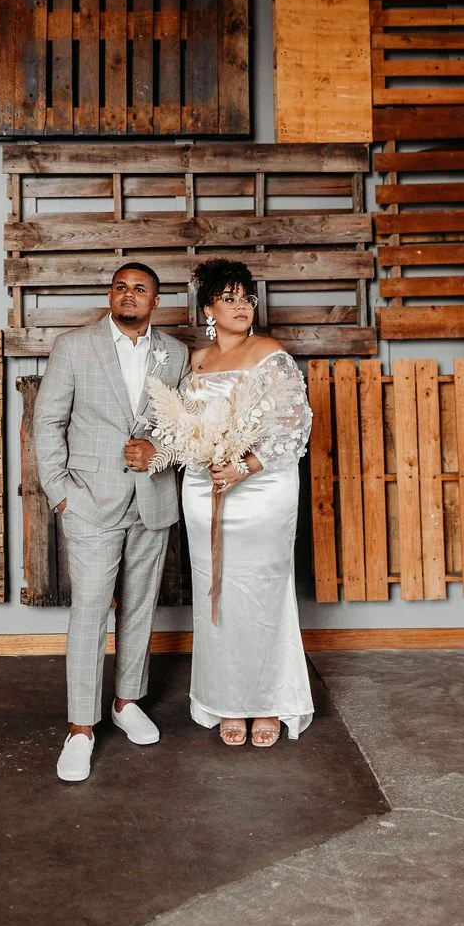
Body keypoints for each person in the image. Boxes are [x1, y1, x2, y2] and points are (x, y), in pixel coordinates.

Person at [34, 263, 189, 782]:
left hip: (153, 502)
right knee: (90, 613)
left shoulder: (176, 354)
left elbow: (182, 428)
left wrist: (158, 452)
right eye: (121, 287)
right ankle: (81, 728)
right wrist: (61, 496)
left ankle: (126, 702)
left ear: (155, 300)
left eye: (140, 288)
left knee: (139, 608)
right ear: (110, 295)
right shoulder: (75, 346)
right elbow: (48, 421)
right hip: (89, 503)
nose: (129, 294)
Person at [181, 258, 314, 748]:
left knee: (261, 591)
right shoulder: (195, 362)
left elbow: (293, 422)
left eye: (247, 298)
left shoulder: (270, 353)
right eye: (230, 298)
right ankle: (226, 699)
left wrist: (246, 465)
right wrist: (196, 454)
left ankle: (270, 702)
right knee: (214, 591)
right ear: (209, 308)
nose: (242, 307)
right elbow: (184, 423)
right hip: (203, 486)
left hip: (261, 486)